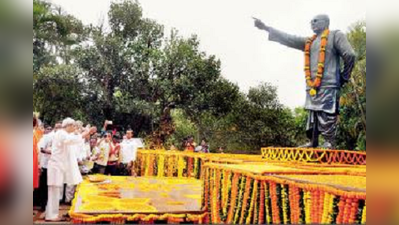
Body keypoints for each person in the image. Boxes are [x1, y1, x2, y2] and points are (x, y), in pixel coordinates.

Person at [253, 14, 356, 149]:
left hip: (329, 84)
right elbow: (288, 38)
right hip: (312, 86)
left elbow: (350, 55)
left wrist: (344, 76)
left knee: (327, 113)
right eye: (310, 22)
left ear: (325, 22)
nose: (312, 24)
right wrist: (266, 28)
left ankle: (329, 142)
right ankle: (313, 142)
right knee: (312, 114)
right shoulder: (309, 41)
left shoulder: (335, 35)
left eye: (315, 21)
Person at [45, 118, 96, 222]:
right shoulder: (61, 133)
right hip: (56, 167)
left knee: (55, 192)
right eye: (73, 126)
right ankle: (51, 216)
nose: (74, 128)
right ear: (68, 125)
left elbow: (73, 139)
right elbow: (71, 140)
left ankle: (52, 214)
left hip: (57, 167)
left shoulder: (63, 134)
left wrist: (82, 133)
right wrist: (85, 133)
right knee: (54, 193)